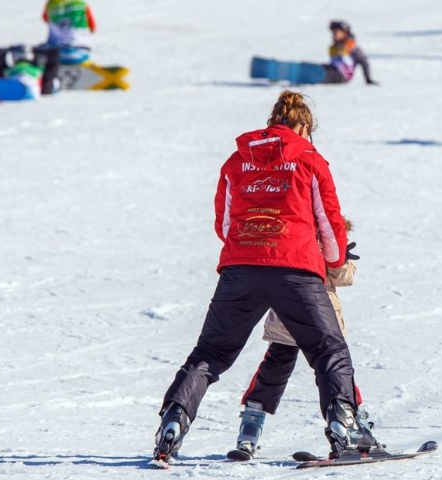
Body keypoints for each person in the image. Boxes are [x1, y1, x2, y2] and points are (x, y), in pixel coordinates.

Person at [152, 91, 379, 467]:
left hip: (240, 268)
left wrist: (249, 248)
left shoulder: (237, 160)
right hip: (296, 270)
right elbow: (329, 221)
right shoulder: (309, 159)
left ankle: (173, 421)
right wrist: (334, 260)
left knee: (210, 354)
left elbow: (225, 225)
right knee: (328, 349)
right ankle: (343, 425)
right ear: (303, 127)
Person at [234, 221, 374, 459]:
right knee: (336, 373)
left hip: (286, 319)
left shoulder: (288, 236)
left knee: (272, 373)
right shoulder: (324, 242)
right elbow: (344, 278)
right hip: (323, 322)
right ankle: (350, 426)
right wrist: (339, 257)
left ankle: (250, 429)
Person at [41, 0, 96, 65]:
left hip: (56, 55)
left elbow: (45, 19)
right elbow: (92, 27)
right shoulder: (81, 3)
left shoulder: (51, 3)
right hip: (81, 53)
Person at [324, 20, 378, 85]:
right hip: (333, 70)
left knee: (322, 72)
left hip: (342, 75)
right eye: (333, 32)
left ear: (344, 33)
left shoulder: (350, 46)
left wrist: (368, 79)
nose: (334, 34)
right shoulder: (334, 46)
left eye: (337, 32)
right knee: (321, 68)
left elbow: (364, 61)